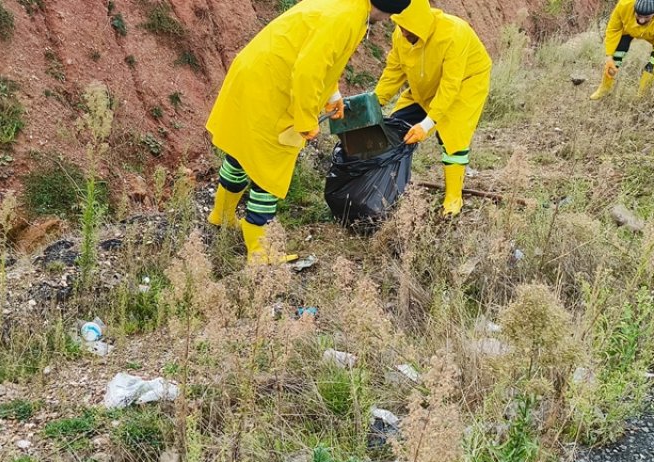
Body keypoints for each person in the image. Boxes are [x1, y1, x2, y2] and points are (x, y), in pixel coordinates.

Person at [205, 0, 412, 264]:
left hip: (254, 75)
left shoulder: (346, 5)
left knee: (242, 151)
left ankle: (221, 215)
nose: (385, 20)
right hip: (272, 91)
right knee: (271, 172)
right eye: (388, 16)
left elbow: (322, 58)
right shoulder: (347, 19)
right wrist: (304, 119)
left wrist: (333, 94)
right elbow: (307, 71)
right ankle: (258, 248)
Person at [374, 0, 491, 217]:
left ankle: (453, 198)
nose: (402, 32)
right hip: (426, 84)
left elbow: (450, 85)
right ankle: (388, 188)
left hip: (466, 82)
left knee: (452, 136)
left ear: (419, 22)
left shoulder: (454, 33)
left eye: (406, 27)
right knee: (396, 124)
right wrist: (373, 103)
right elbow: (394, 72)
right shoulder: (401, 36)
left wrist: (427, 124)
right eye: (399, 26)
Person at [590, 0, 654, 100]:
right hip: (630, 26)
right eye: (639, 15)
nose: (641, 20)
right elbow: (613, 29)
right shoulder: (624, 6)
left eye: (646, 17)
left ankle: (641, 95)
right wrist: (609, 56)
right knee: (615, 57)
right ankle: (604, 88)